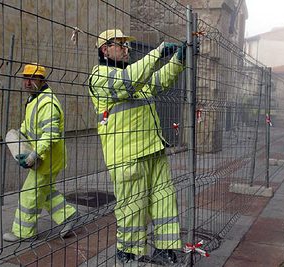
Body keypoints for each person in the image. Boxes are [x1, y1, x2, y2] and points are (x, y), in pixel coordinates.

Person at [89, 29, 186, 264]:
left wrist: (178, 60)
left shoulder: (135, 76)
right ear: (105, 49)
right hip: (127, 157)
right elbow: (127, 83)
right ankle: (130, 253)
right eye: (120, 45)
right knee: (133, 208)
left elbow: (159, 80)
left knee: (165, 201)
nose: (126, 49)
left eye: (126, 45)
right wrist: (157, 52)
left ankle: (166, 249)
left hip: (153, 149)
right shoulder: (100, 77)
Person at [3, 63, 77, 242]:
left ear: (41, 80)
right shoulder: (34, 99)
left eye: (32, 78)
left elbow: (50, 135)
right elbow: (28, 126)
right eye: (25, 78)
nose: (27, 82)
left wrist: (33, 155)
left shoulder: (47, 103)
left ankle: (24, 233)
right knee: (45, 192)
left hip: (47, 159)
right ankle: (69, 216)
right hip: (46, 158)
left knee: (30, 194)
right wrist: (19, 138)